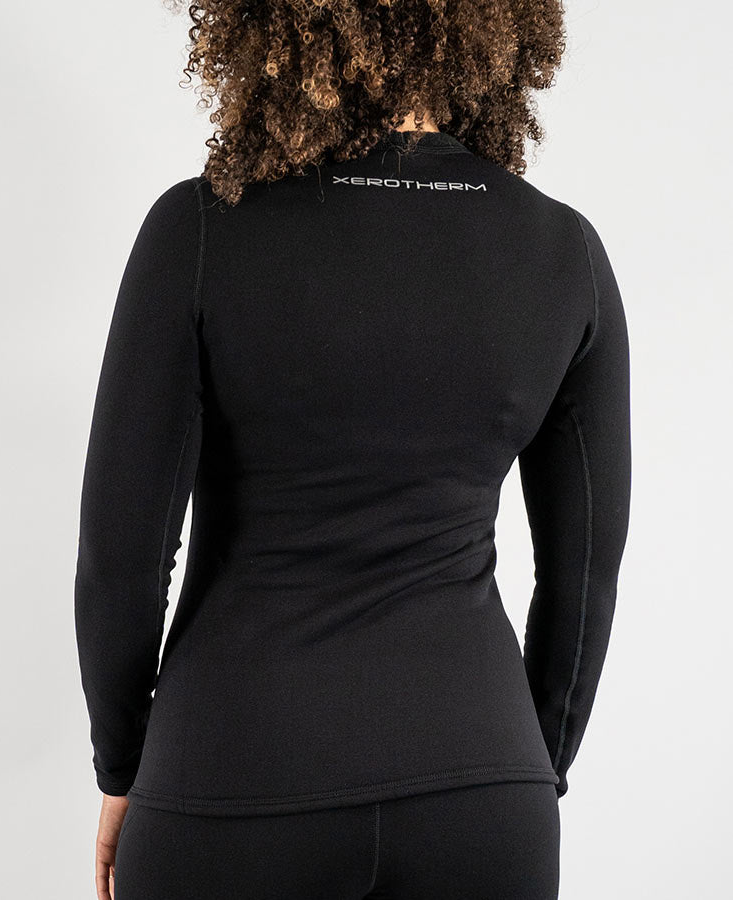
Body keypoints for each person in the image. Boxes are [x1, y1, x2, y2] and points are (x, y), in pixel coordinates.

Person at [73, 2, 632, 898]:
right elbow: (585, 578)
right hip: (483, 795)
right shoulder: (566, 253)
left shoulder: (202, 227)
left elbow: (121, 562)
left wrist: (123, 766)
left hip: (234, 781)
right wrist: (525, 767)